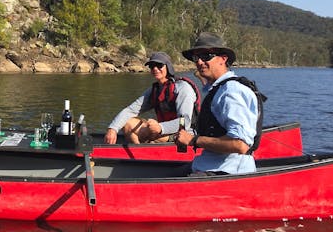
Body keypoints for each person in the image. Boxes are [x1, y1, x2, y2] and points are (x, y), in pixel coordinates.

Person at [176, 32, 266, 175]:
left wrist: (194, 140)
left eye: (206, 56)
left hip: (226, 172)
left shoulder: (231, 91)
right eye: (196, 58)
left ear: (223, 59)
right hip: (207, 165)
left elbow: (240, 144)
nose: (199, 62)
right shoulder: (219, 88)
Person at [104, 52, 200, 145]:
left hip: (185, 135)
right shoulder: (155, 90)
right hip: (163, 131)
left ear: (168, 67)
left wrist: (160, 127)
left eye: (159, 65)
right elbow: (130, 110)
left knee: (149, 131)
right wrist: (112, 128)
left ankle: (143, 152)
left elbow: (185, 122)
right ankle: (139, 154)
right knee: (128, 123)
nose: (155, 69)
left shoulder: (183, 88)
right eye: (152, 66)